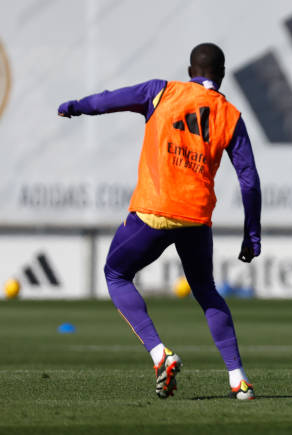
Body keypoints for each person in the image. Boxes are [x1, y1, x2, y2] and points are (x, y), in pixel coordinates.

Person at [58, 43, 261, 400]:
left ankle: (159, 352)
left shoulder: (160, 91)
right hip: (196, 217)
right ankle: (238, 379)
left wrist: (74, 107)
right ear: (223, 73)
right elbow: (249, 179)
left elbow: (108, 100)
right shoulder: (230, 115)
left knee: (116, 274)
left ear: (189, 70)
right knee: (205, 291)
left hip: (153, 210)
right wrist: (252, 235)